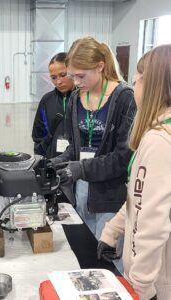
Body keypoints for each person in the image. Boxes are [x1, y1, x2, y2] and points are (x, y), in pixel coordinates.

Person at [98, 45, 171, 300]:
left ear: (152, 86)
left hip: (157, 284)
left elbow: (151, 221)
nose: (134, 84)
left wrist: (141, 286)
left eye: (138, 77)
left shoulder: (159, 141)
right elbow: (138, 198)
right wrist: (111, 232)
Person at [50, 37, 136, 239]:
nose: (76, 83)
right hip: (82, 188)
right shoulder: (75, 97)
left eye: (81, 76)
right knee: (84, 253)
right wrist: (55, 163)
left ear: (100, 66)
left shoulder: (125, 99)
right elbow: (75, 148)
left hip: (112, 197)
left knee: (107, 261)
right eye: (72, 76)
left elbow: (123, 158)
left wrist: (80, 168)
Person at [32, 52, 75, 159]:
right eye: (53, 77)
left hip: (77, 164)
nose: (58, 82)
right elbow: (38, 135)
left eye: (63, 75)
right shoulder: (46, 100)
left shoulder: (84, 99)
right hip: (52, 162)